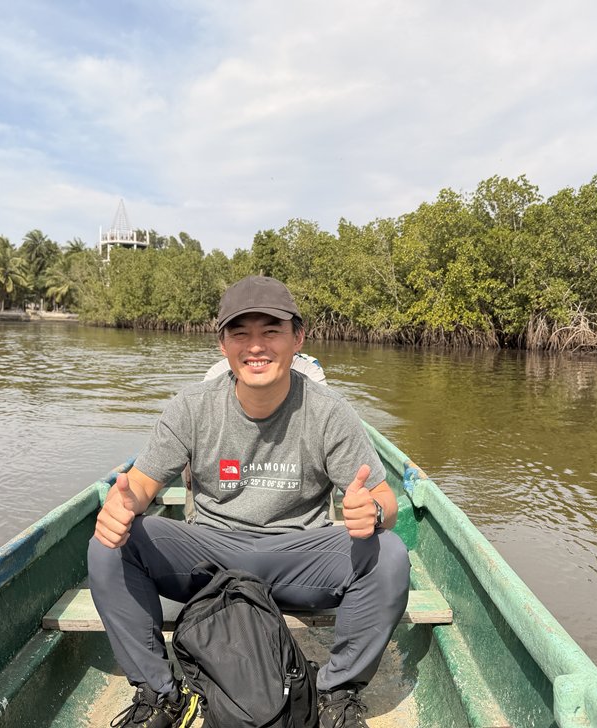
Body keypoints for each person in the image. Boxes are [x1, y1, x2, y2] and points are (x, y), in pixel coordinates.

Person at [88, 276, 411, 728]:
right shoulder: (193, 406)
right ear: (222, 343)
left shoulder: (328, 411)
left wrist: (372, 511)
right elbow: (141, 483)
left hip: (298, 556)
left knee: (389, 554)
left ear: (297, 338)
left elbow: (385, 500)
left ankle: (336, 695)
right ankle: (160, 695)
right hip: (209, 556)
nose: (255, 347)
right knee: (109, 542)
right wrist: (125, 504)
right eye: (240, 333)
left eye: (271, 331)